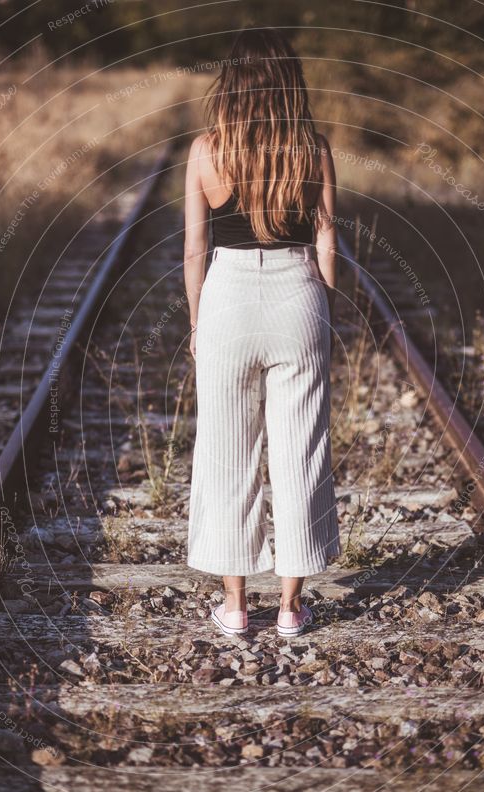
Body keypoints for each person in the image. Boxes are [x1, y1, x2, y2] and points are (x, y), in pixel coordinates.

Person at [183, 26, 340, 637]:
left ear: (233, 86)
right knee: (300, 451)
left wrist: (197, 321)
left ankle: (235, 606)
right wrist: (325, 314)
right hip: (296, 293)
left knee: (227, 453)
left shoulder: (205, 151)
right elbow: (327, 240)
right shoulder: (314, 149)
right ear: (287, 83)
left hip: (227, 300)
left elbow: (196, 248)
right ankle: (291, 608)